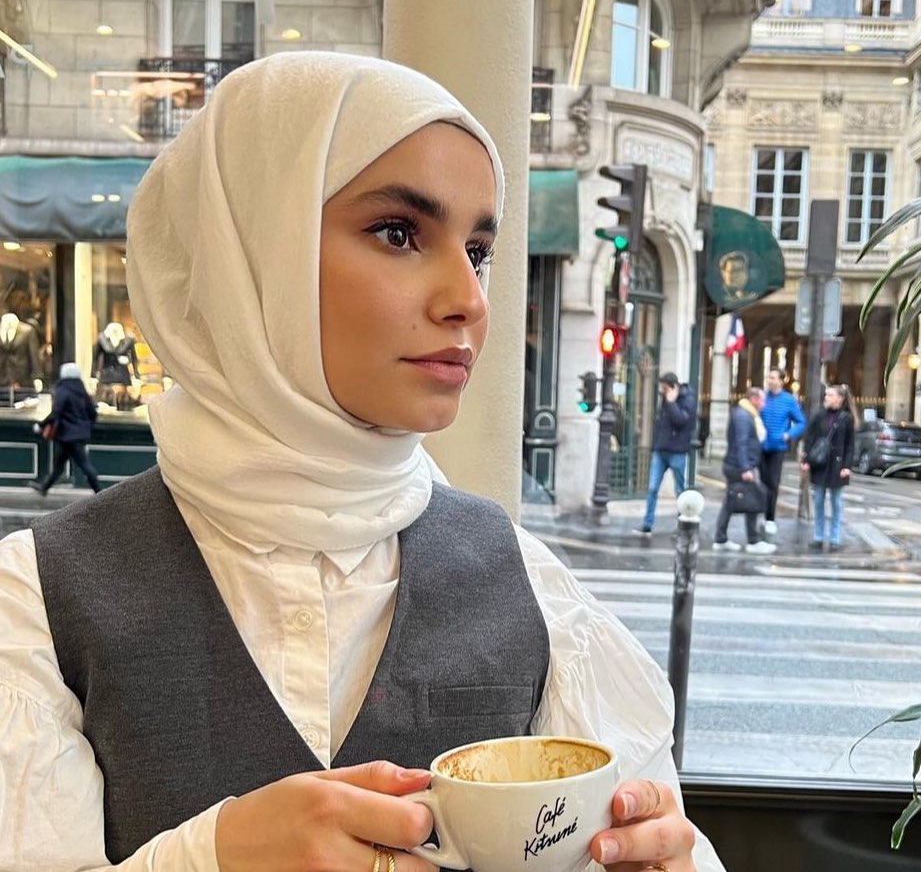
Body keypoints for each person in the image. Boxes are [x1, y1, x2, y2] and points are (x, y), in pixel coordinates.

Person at [0, 53, 723, 872]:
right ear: (251, 252)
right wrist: (211, 855)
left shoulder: (532, 588)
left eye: (478, 249)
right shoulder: (36, 602)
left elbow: (642, 838)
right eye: (399, 233)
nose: (469, 299)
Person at [713, 387, 776, 554]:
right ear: (754, 399)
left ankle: (720, 538)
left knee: (730, 502)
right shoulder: (744, 416)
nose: (763, 404)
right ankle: (753, 541)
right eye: (762, 400)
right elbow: (741, 443)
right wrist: (746, 468)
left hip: (736, 464)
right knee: (753, 501)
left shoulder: (746, 414)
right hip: (740, 465)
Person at [28, 361, 101, 496]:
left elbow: (56, 413)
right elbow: (92, 413)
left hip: (66, 434)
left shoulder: (63, 390)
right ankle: (44, 488)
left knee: (83, 464)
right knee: (60, 464)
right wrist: (85, 426)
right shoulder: (82, 391)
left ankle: (99, 491)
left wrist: (41, 425)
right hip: (78, 434)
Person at [801, 383, 856, 550]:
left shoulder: (846, 418)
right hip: (820, 463)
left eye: (830, 395)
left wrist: (847, 466)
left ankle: (835, 538)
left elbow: (850, 444)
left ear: (839, 399)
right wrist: (806, 460)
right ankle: (818, 536)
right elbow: (809, 438)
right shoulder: (819, 416)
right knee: (818, 500)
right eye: (826, 395)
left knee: (836, 502)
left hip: (837, 466)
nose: (826, 398)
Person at [640, 371, 696, 533]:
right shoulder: (665, 399)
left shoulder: (687, 400)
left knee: (679, 489)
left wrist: (671, 403)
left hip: (677, 451)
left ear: (673, 387)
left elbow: (681, 421)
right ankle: (647, 523)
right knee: (652, 488)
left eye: (664, 388)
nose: (662, 391)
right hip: (661, 449)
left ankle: (683, 524)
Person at [758, 367, 806, 535]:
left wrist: (789, 435)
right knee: (762, 483)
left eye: (773, 378)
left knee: (773, 483)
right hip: (761, 446)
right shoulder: (762, 397)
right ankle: (761, 513)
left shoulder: (789, 400)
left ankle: (770, 518)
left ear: (780, 381)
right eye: (768, 377)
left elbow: (801, 422)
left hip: (778, 447)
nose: (769, 380)